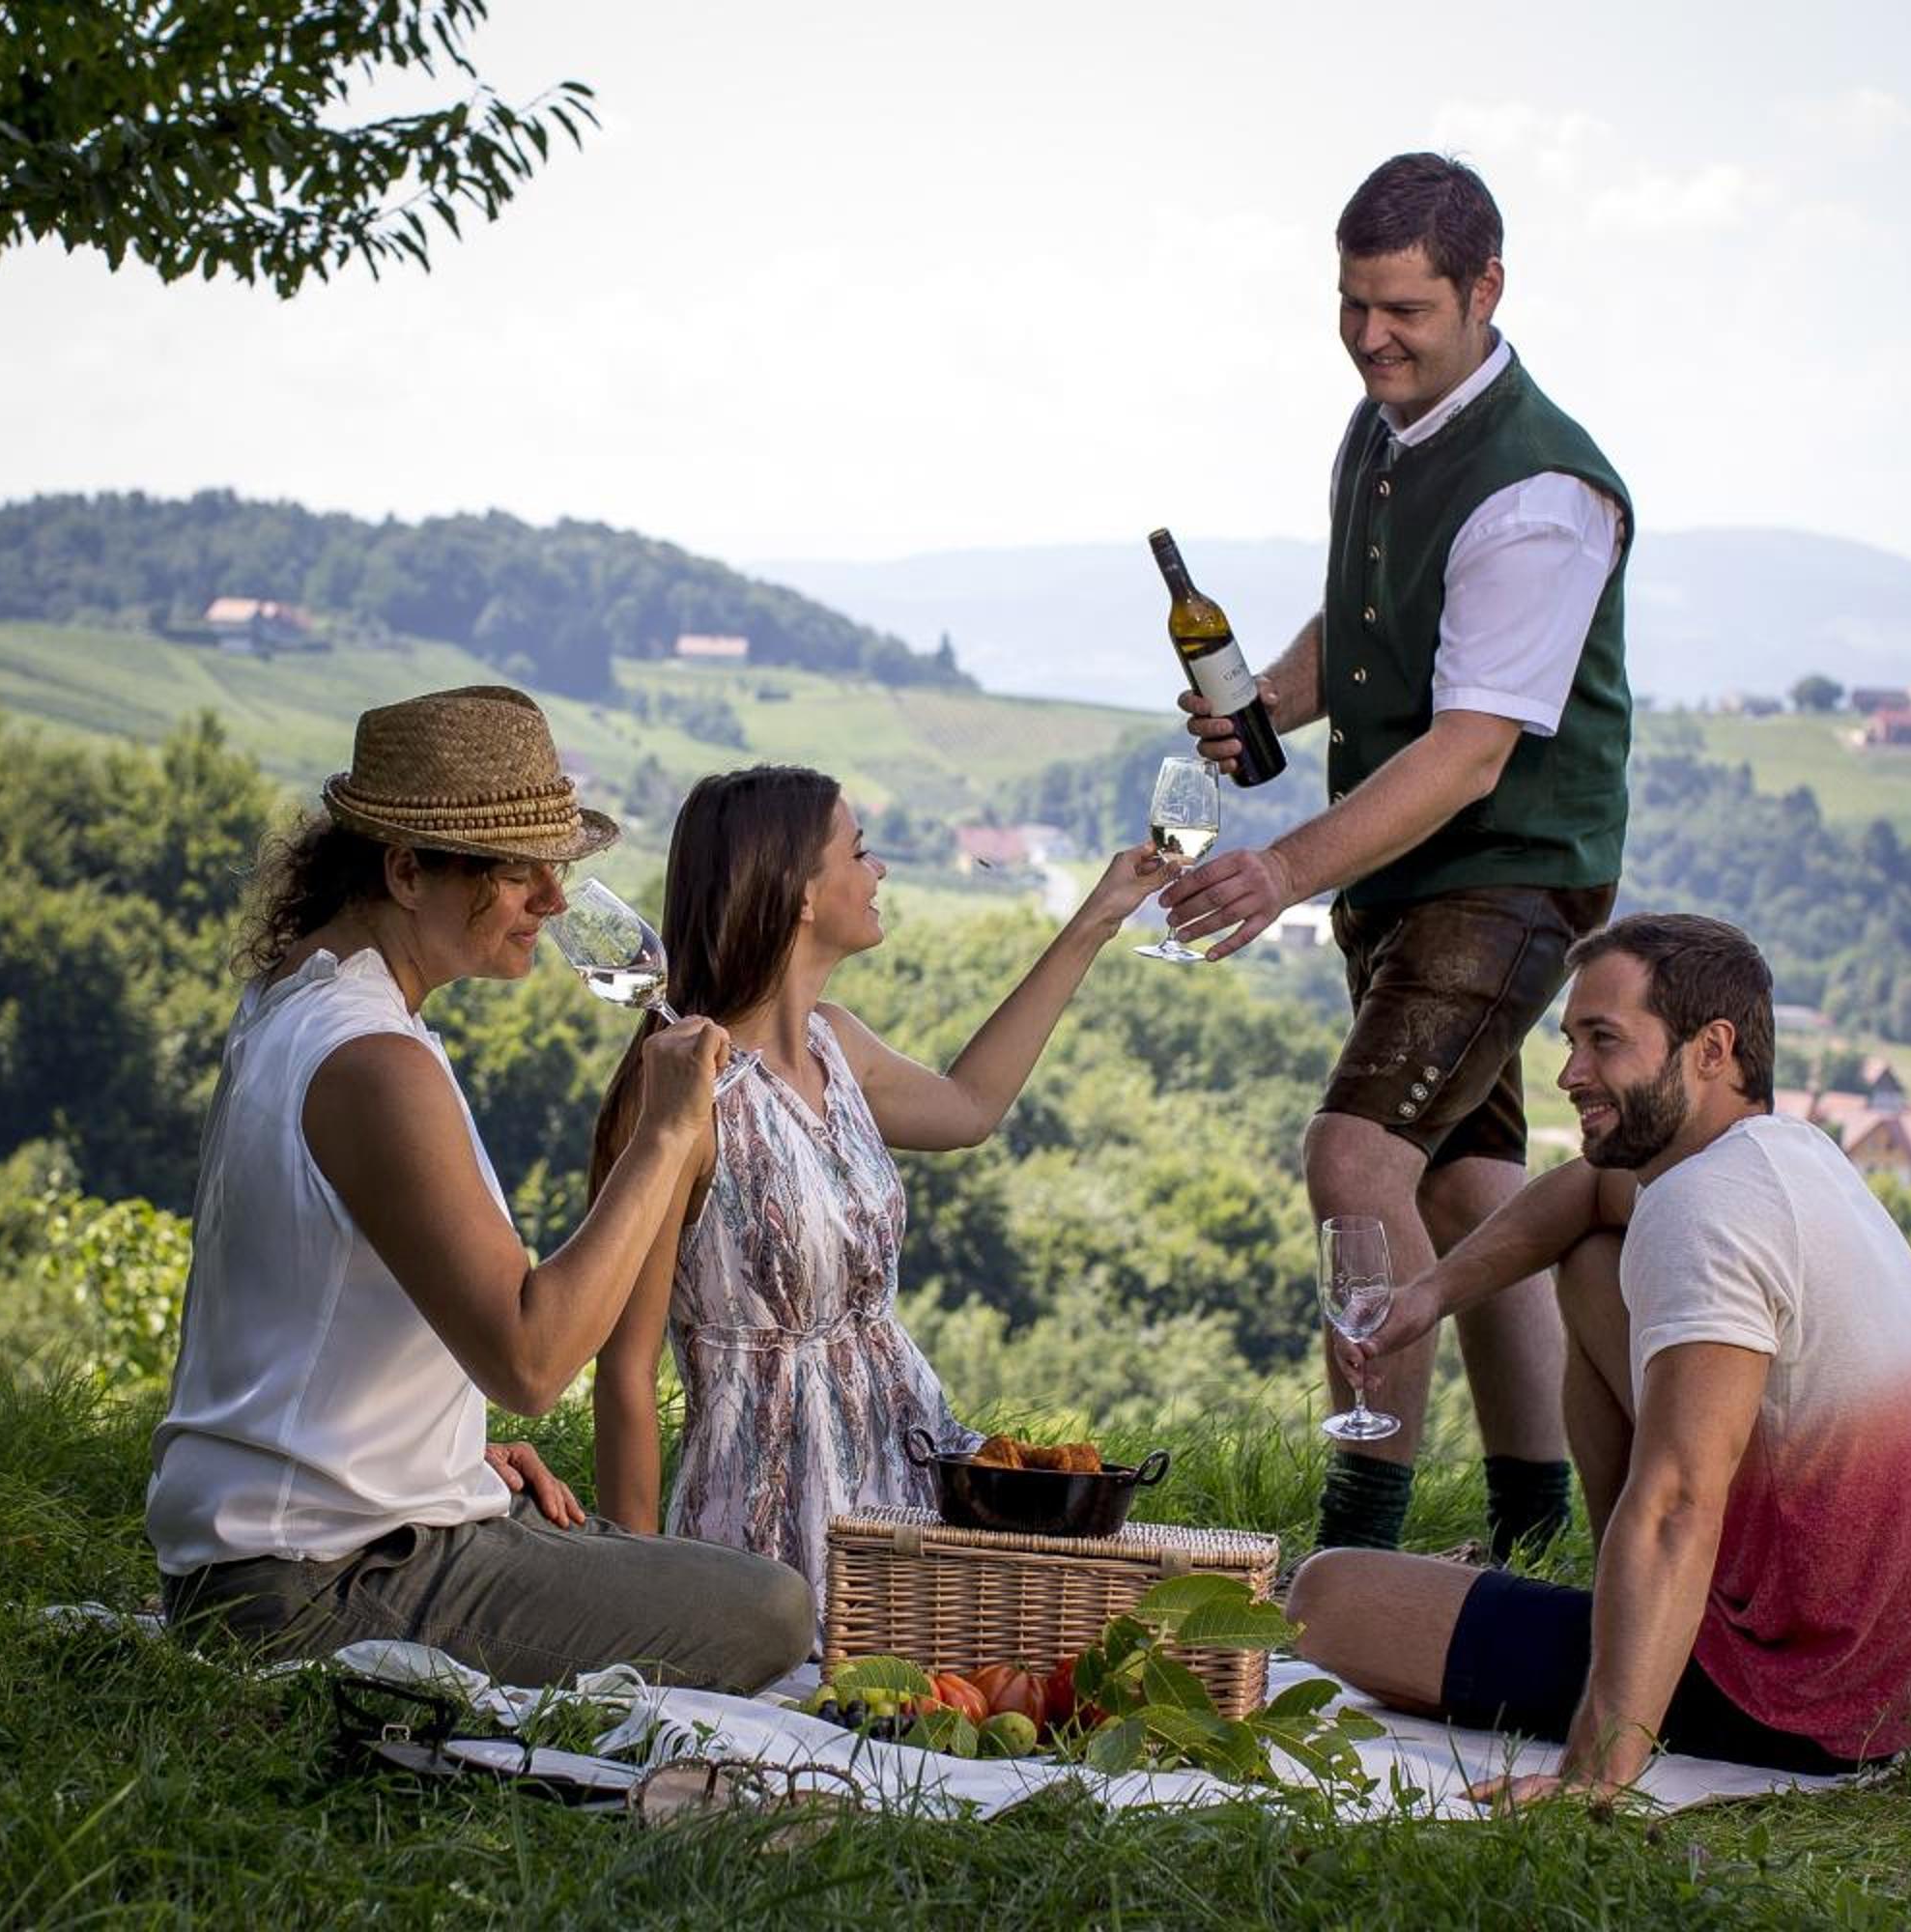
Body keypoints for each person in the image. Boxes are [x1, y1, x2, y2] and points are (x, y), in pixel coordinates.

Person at [147, 686, 813, 1693]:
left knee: (677, 1574)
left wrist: (437, 1452)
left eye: (556, 867)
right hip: (312, 1585)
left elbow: (318, 1312)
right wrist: (668, 1134)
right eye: (514, 870)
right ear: (406, 870)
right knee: (771, 1608)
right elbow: (533, 1362)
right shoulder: (374, 1060)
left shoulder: (302, 996)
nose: (553, 900)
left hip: (295, 1544)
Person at [1162, 152, 1634, 1560]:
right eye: (1353, 305)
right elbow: (1364, 626)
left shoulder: (1540, 493)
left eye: (1407, 310)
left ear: (1487, 289)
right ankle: (1533, 1537)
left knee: (1355, 1156)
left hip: (1507, 866)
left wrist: (1280, 869)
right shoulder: (1385, 427)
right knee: (1465, 1186)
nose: (1372, 338)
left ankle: (1355, 1541)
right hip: (1412, 872)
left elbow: (1471, 750)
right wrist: (1268, 701)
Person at [1287, 914, 1911, 1801]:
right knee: (1592, 1258)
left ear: (1712, 1050)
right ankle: (1618, 1610)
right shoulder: (1785, 1154)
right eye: (1571, 1041)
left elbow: (1677, 1504)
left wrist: (1596, 1775)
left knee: (1329, 1599)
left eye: (1605, 1041)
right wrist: (1426, 1297)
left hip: (1805, 1692)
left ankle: (1630, 1662)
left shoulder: (1707, 1211)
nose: (1570, 1074)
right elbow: (1588, 1192)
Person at [586, 765, 1168, 1599]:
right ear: (800, 893)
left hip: (905, 1480)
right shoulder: (680, 1096)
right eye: (859, 852)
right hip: (769, 1521)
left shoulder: (835, 1043)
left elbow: (970, 1107)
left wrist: (1097, 918)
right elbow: (626, 1369)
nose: (880, 869)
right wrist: (639, 1598)